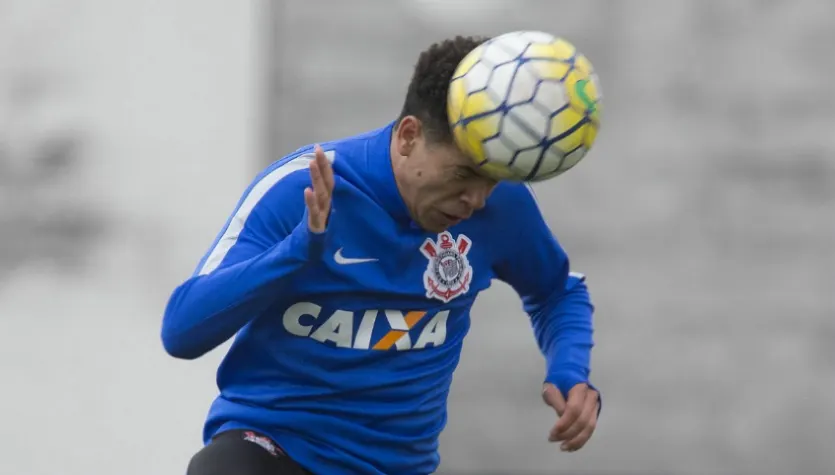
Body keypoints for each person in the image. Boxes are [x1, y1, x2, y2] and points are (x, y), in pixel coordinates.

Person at [161, 35, 601, 475]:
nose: (477, 199)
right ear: (409, 135)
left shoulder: (501, 206)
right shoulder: (303, 190)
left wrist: (570, 370)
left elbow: (557, 292)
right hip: (274, 446)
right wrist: (297, 252)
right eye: (464, 174)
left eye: (493, 179)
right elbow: (182, 332)